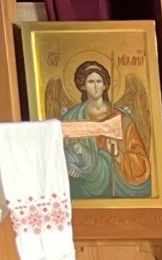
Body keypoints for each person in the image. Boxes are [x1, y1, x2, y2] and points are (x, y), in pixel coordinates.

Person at [59, 62, 156, 200]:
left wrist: (117, 155)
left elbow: (141, 164)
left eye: (99, 81)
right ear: (83, 86)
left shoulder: (121, 119)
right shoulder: (71, 118)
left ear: (105, 85)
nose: (95, 86)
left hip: (116, 183)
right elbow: (59, 154)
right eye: (90, 82)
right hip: (82, 182)